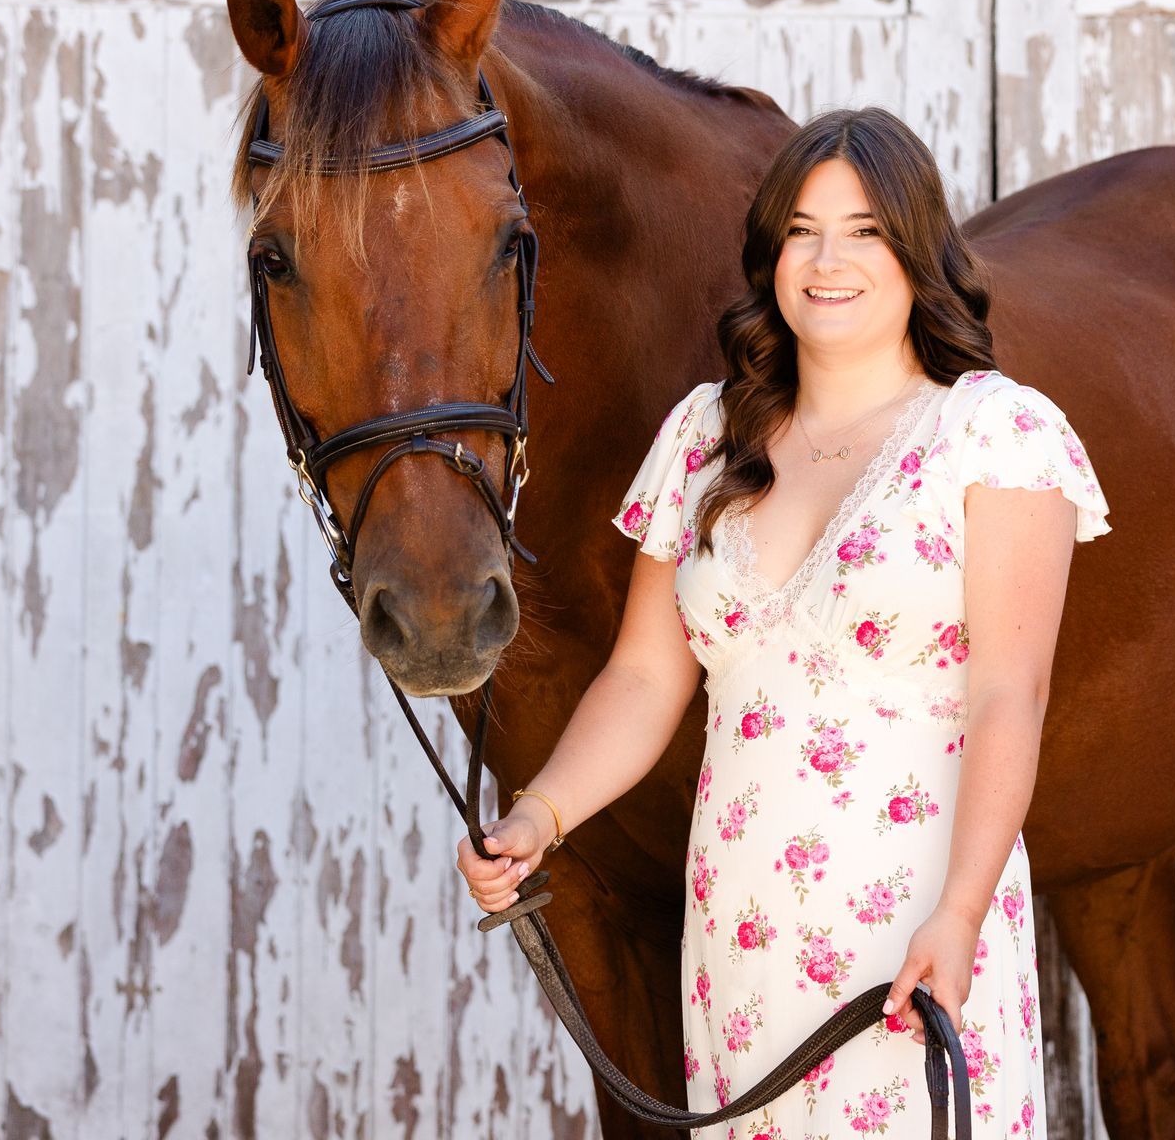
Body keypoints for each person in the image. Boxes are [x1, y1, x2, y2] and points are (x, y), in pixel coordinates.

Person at [457, 106, 1109, 1138]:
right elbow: (642, 680)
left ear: (916, 252)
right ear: (769, 255)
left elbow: (1008, 695)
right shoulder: (703, 438)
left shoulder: (995, 434)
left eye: (864, 232)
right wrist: (539, 818)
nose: (828, 260)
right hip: (746, 928)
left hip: (918, 917)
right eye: (802, 230)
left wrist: (963, 911)